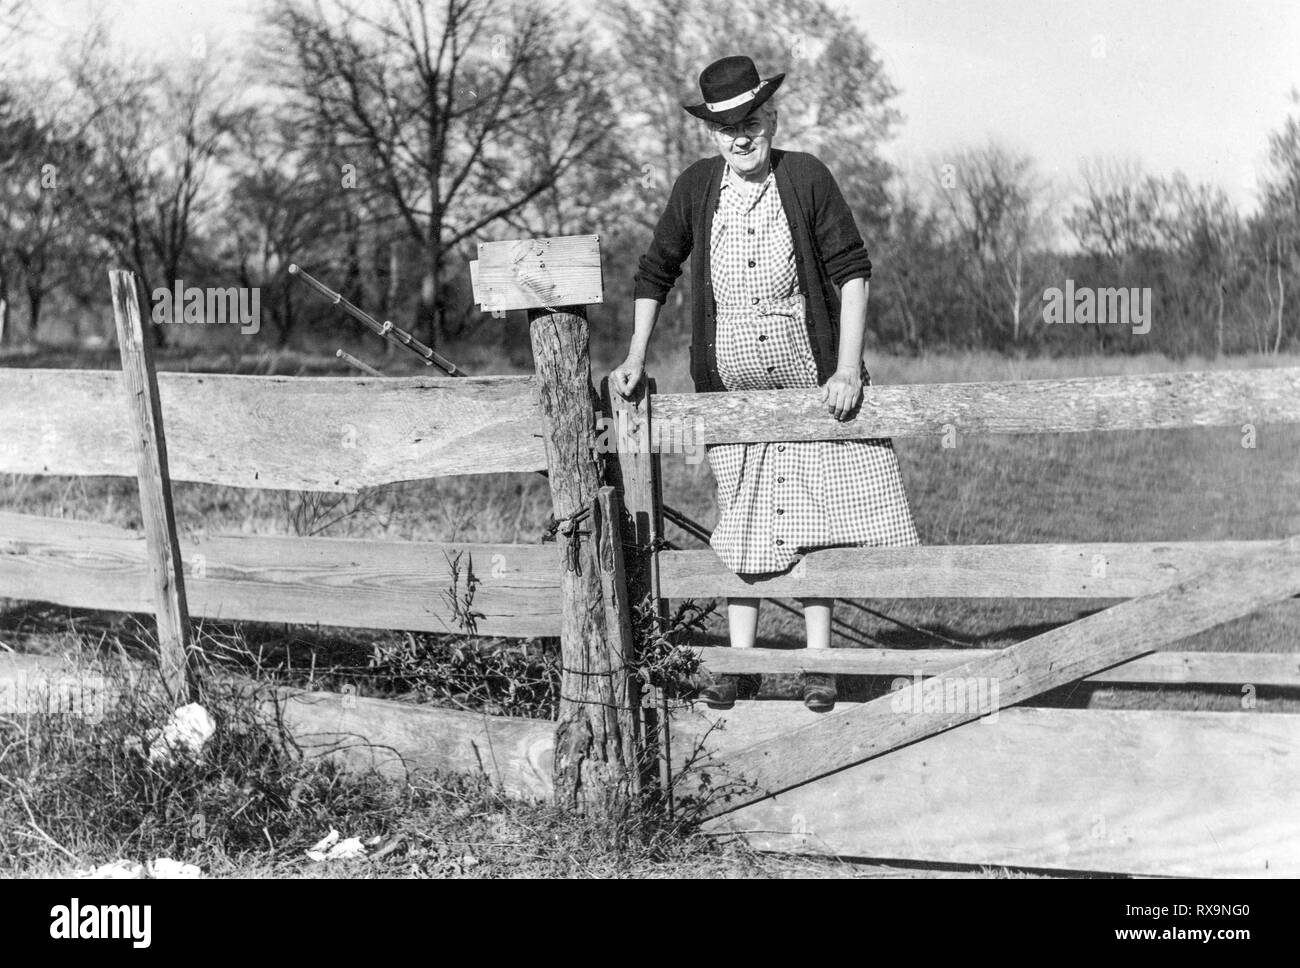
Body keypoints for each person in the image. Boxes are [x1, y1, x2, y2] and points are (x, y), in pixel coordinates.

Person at [610, 54, 920, 712]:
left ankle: (818, 667)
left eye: (749, 121)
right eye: (725, 128)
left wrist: (846, 368)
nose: (740, 136)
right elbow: (654, 271)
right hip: (732, 397)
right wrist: (636, 354)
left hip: (812, 387)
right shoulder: (697, 187)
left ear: (769, 118)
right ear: (711, 134)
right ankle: (736, 664)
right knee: (743, 520)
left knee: (815, 520)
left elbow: (853, 273)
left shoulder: (805, 177)